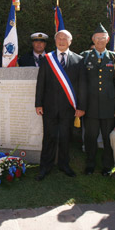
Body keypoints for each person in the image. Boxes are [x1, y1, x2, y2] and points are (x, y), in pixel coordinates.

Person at [35, 30, 87, 180]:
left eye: (65, 39)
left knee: (65, 136)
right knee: (49, 136)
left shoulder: (79, 60)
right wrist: (38, 103)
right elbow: (41, 83)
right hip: (49, 107)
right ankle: (45, 167)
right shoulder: (47, 59)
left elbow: (82, 86)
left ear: (70, 42)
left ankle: (64, 165)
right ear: (55, 41)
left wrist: (81, 107)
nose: (62, 41)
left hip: (69, 108)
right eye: (59, 38)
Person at [80, 24, 115, 176]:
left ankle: (107, 166)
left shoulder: (114, 57)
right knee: (90, 137)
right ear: (93, 39)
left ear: (108, 40)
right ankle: (90, 165)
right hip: (90, 106)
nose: (100, 41)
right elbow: (81, 82)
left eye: (103, 38)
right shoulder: (84, 56)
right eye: (97, 38)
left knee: (107, 137)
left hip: (109, 106)